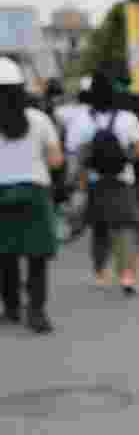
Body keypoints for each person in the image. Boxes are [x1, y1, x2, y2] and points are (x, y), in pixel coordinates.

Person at [65, 71, 139, 296]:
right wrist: (122, 158)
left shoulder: (79, 121)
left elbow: (75, 156)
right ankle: (127, 275)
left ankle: (100, 271)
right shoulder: (128, 118)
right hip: (123, 180)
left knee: (99, 228)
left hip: (93, 182)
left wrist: (72, 183)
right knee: (125, 227)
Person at [0, 57, 64, 334]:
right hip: (34, 194)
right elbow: (56, 161)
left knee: (5, 255)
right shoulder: (39, 120)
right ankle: (36, 312)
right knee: (37, 256)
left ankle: (11, 308)